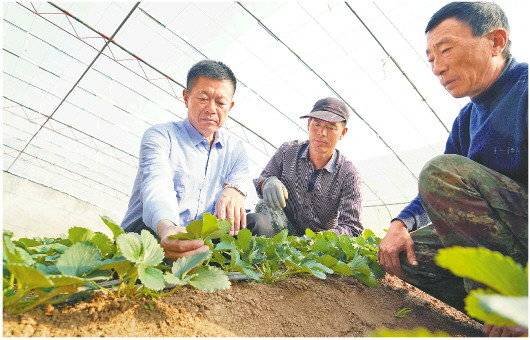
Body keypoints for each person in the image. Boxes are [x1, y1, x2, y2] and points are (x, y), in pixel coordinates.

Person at [377, 2, 527, 337]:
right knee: (408, 257)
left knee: (441, 172)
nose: (437, 68)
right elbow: (437, 194)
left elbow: (443, 177)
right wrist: (400, 224)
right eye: (430, 58)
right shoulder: (468, 119)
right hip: (510, 243)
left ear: (496, 41)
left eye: (445, 50)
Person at [121, 60, 250, 260]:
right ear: (186, 97)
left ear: (230, 106)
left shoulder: (235, 149)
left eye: (221, 102)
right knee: (147, 235)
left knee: (258, 222)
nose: (211, 109)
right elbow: (157, 186)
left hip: (196, 241)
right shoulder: (161, 136)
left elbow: (241, 177)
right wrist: (168, 228)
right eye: (203, 98)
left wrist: (236, 189)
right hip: (153, 231)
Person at [248, 97, 363, 237]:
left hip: (317, 244)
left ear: (343, 132)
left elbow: (352, 227)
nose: (322, 133)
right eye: (317, 125)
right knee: (256, 219)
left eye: (331, 127)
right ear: (308, 124)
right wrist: (267, 182)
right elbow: (262, 178)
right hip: (280, 230)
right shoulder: (288, 152)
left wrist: (315, 239)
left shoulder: (348, 174)